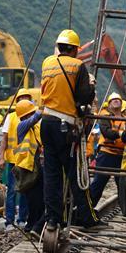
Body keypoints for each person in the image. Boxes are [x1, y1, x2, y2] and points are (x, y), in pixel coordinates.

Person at [40, 29, 98, 232]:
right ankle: (86, 217)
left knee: (52, 174)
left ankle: (53, 220)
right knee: (75, 173)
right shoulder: (78, 65)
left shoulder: (47, 63)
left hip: (46, 122)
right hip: (65, 126)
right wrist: (90, 85)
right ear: (74, 49)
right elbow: (84, 98)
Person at [0, 88, 32, 229]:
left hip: (26, 160)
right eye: (21, 98)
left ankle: (22, 219)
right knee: (12, 191)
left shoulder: (31, 117)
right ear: (17, 100)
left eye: (26, 98)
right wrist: (1, 157)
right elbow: (4, 139)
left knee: (24, 191)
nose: (24, 100)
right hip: (13, 160)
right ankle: (10, 221)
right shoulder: (11, 117)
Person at [13, 99, 44, 234]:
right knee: (33, 200)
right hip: (26, 169)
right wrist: (44, 107)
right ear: (25, 116)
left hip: (35, 167)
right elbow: (37, 117)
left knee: (40, 198)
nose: (33, 116)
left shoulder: (35, 128)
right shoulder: (22, 126)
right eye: (30, 113)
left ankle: (35, 225)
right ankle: (30, 226)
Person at [90, 92, 126, 206]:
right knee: (98, 183)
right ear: (109, 105)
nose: (116, 101)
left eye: (118, 99)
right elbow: (107, 133)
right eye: (112, 100)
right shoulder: (104, 117)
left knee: (122, 186)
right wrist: (120, 134)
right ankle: (88, 209)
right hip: (106, 154)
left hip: (121, 155)